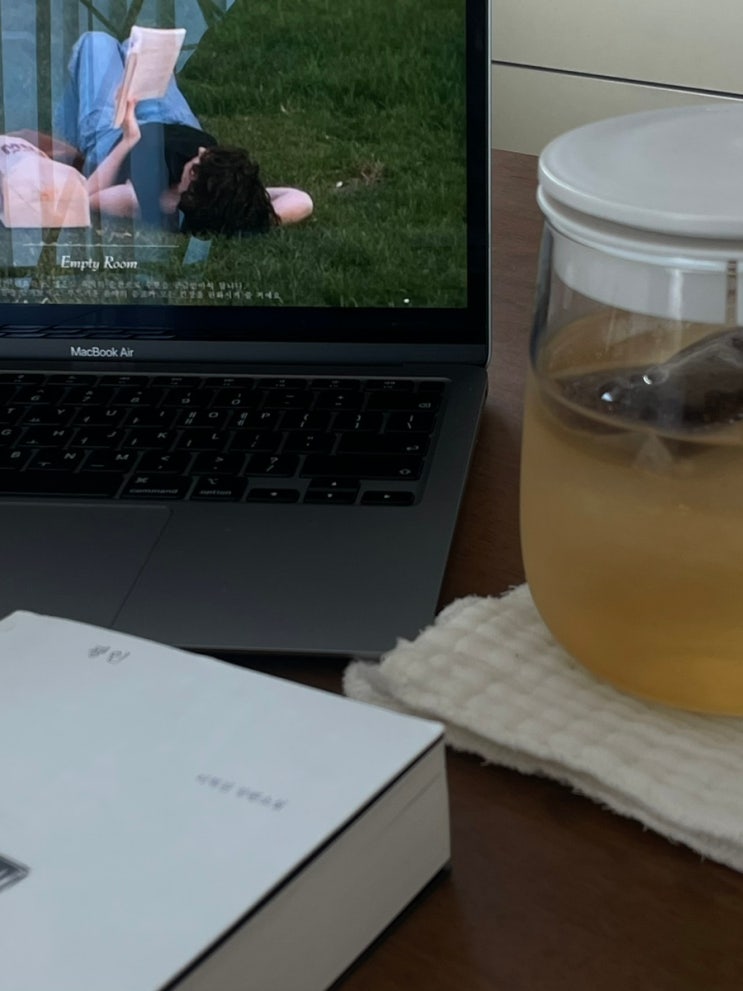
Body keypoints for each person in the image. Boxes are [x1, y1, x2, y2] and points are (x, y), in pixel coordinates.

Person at [53, 31, 313, 235]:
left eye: (199, 162)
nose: (200, 150)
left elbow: (85, 199)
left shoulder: (142, 200)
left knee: (96, 43)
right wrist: (244, 218)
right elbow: (302, 200)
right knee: (138, 46)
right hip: (176, 120)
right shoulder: (230, 196)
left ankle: (69, 125)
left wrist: (129, 138)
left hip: (116, 134)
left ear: (190, 183)